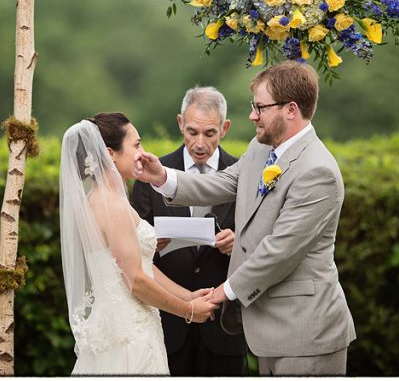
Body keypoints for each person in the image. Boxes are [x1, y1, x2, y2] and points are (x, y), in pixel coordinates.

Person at [137, 61, 357, 375]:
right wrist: (162, 178)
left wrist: (222, 292)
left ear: (290, 109)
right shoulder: (260, 147)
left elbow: (279, 251)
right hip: (269, 332)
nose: (253, 115)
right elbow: (222, 183)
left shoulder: (317, 171)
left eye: (260, 107)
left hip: (307, 333)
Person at [59, 112, 218, 375]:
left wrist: (188, 294)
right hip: (128, 333)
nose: (143, 153)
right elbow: (136, 280)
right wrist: (188, 310)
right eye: (136, 145)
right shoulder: (111, 205)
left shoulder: (110, 200)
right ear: (110, 153)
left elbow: (142, 265)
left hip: (128, 323)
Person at [131, 87, 247, 375]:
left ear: (225, 128)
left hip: (223, 325)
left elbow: (262, 237)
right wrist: (152, 244)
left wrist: (239, 241)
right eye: (192, 131)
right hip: (168, 322)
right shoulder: (152, 173)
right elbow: (131, 244)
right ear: (181, 123)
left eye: (209, 133)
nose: (199, 143)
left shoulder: (242, 173)